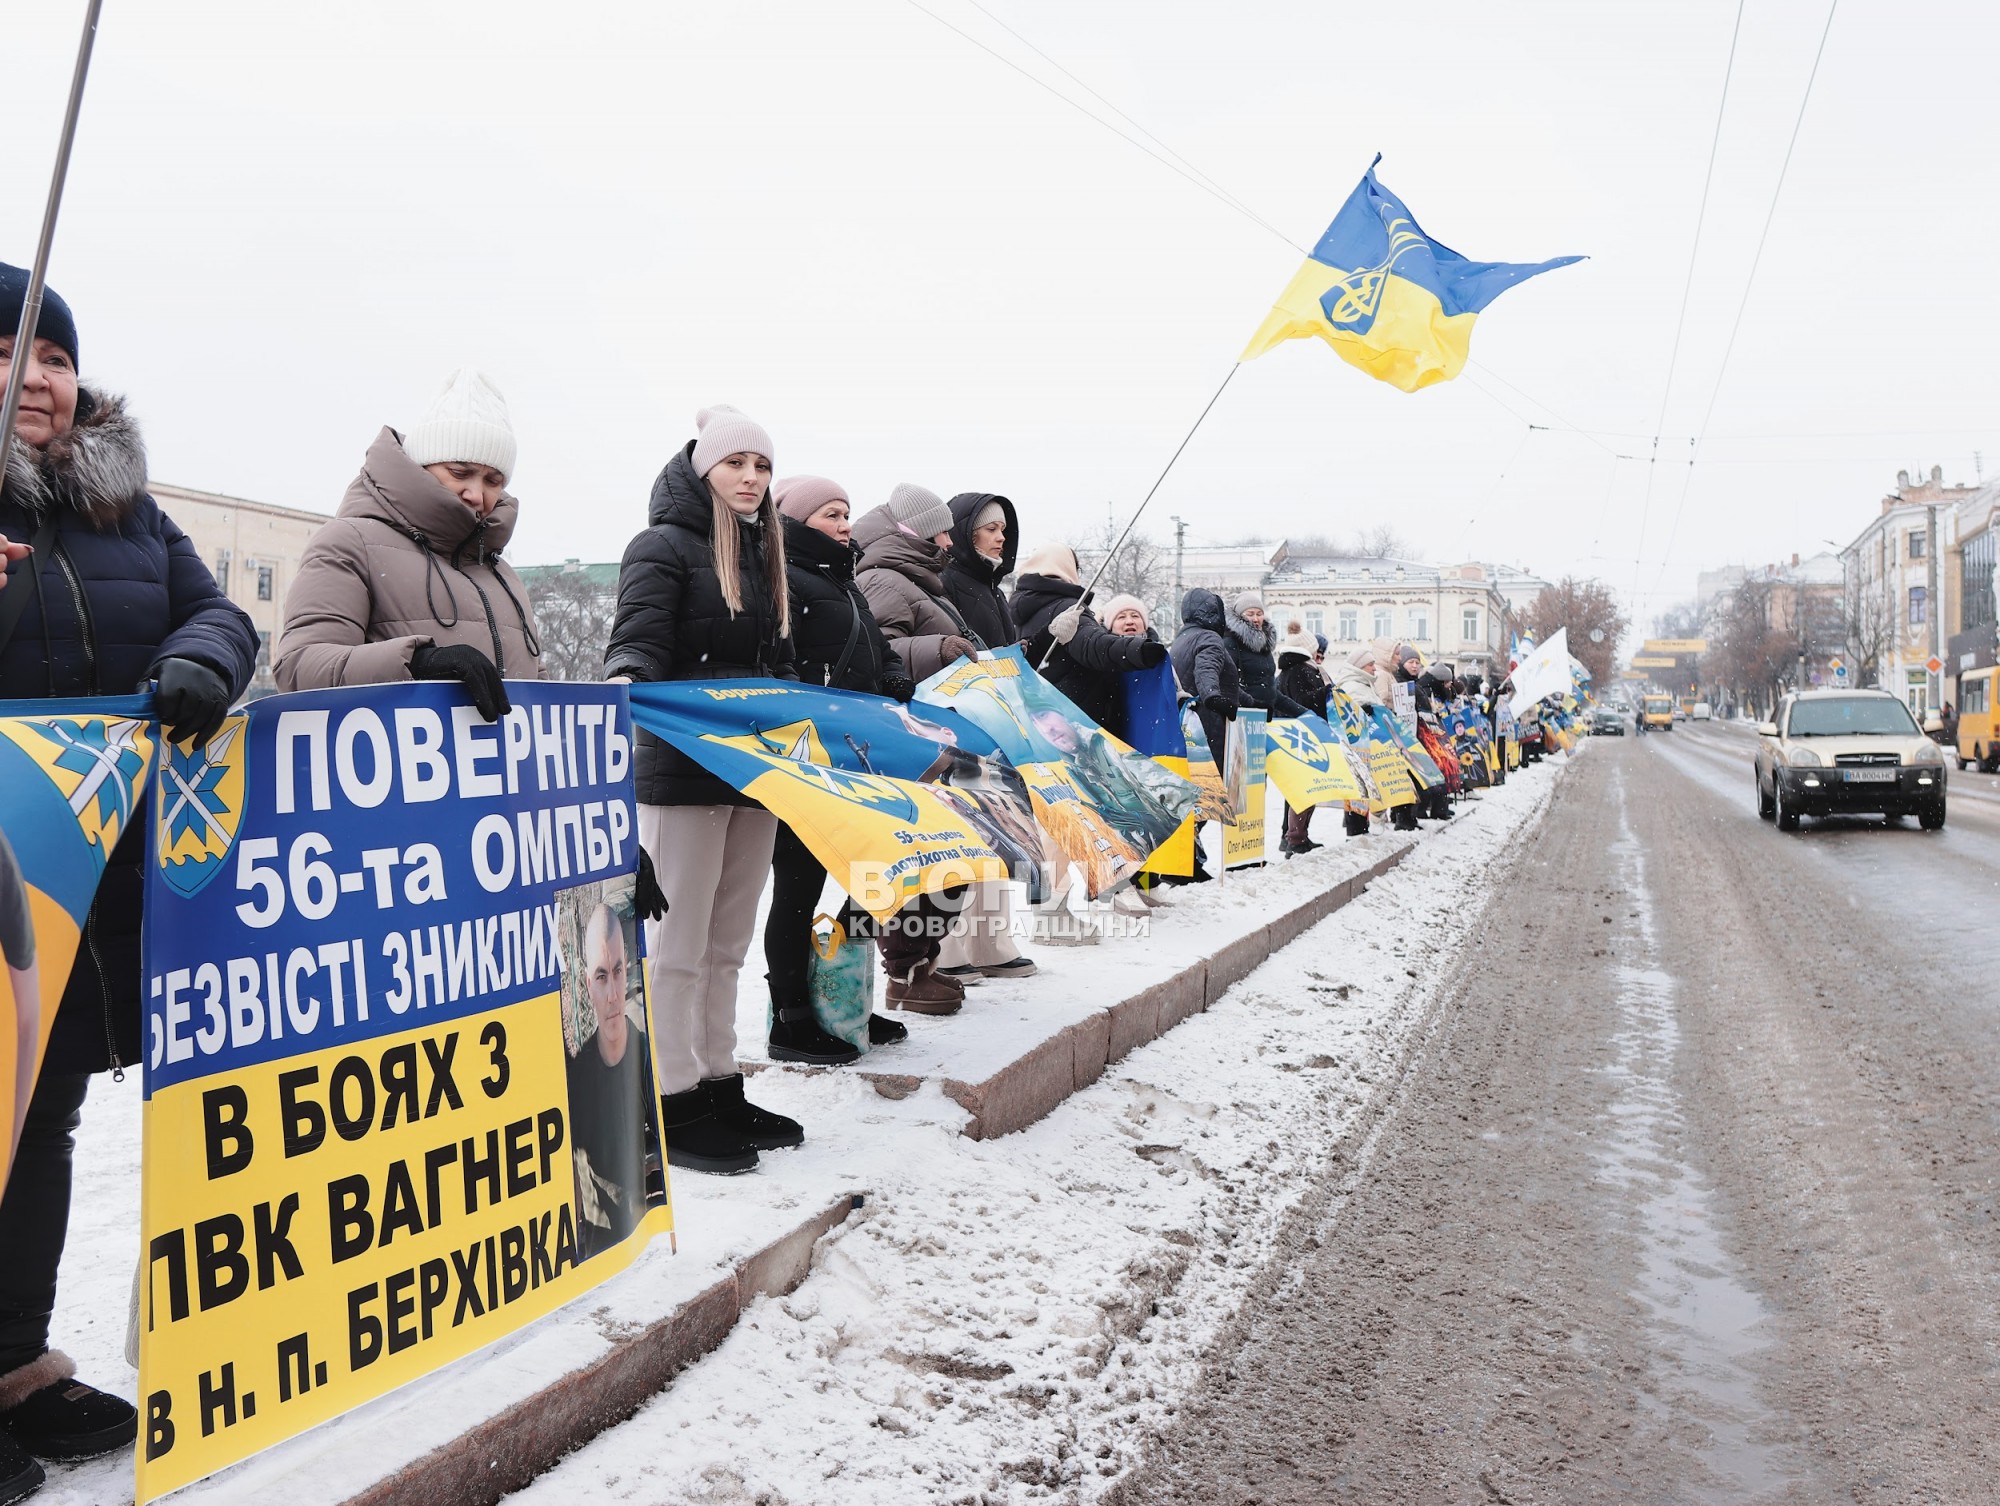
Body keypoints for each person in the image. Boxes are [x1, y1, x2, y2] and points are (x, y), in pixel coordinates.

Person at [0, 263, 258, 1489]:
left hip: (77, 889)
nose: (31, 375)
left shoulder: (128, 516)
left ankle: (13, 1362)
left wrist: (200, 665)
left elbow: (217, 615)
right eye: (4, 351)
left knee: (39, 1121)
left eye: (50, 355)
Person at [605, 405, 799, 1177]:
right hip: (680, 772)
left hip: (754, 773)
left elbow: (777, 664)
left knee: (727, 941)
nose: (750, 478)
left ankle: (720, 1080)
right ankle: (670, 1093)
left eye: (762, 465)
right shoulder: (660, 547)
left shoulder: (766, 554)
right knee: (676, 944)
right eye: (735, 464)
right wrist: (625, 687)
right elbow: (638, 641)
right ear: (702, 469)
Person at [276, 369, 542, 709]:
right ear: (422, 465)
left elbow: (535, 684)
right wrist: (416, 663)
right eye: (459, 472)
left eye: (493, 480)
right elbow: (299, 667)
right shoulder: (350, 543)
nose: (476, 493)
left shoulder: (502, 575)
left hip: (499, 763)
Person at [762, 474, 913, 1048]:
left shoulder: (843, 581)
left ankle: (846, 996)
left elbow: (876, 646)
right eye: (830, 514)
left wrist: (894, 675)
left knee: (867, 883)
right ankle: (792, 1016)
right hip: (809, 761)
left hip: (856, 760)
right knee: (798, 890)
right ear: (798, 522)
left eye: (846, 512)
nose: (845, 523)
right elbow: (780, 660)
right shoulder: (786, 580)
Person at [853, 486, 1015, 997]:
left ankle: (925, 960)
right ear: (915, 533)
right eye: (941, 530)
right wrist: (939, 647)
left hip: (949, 737)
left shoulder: (924, 581)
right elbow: (878, 651)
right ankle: (904, 970)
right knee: (925, 858)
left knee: (957, 854)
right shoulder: (883, 579)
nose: (949, 539)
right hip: (919, 742)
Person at [566, 902, 653, 1259]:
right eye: (602, 977)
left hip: (651, 1241)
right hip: (600, 1254)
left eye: (618, 972)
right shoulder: (577, 1077)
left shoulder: (647, 1057)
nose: (614, 995)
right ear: (589, 986)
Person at [1012, 546, 1167, 732]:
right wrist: (1139, 650)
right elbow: (1092, 646)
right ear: (1067, 568)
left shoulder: (1019, 612)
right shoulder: (1068, 607)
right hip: (1079, 719)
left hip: (1042, 719)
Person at [1169, 589, 1244, 880]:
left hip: (1188, 725)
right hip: (1208, 725)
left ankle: (1187, 861)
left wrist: (1251, 703)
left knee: (1194, 794)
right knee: (1206, 794)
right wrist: (1213, 697)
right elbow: (1207, 671)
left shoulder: (1182, 638)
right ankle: (1185, 864)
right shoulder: (1210, 638)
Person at [940, 492, 1019, 654]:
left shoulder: (994, 588)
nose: (1001, 537)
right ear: (967, 534)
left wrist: (1048, 634)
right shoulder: (944, 583)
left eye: (1003, 529)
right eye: (991, 529)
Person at [1275, 630, 1329, 855]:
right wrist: (1327, 692)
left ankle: (1291, 836)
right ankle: (1295, 839)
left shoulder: (1287, 671)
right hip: (1303, 735)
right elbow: (1304, 702)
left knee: (1297, 788)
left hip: (1290, 735)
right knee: (1304, 788)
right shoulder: (1301, 671)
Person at [1329, 644, 1385, 836]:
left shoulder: (1364, 684)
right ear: (1360, 666)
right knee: (1357, 786)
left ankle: (1360, 825)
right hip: (1356, 745)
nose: (1374, 669)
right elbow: (1348, 712)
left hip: (1366, 744)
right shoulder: (1352, 685)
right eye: (1371, 665)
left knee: (1364, 786)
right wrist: (1365, 710)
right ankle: (1355, 828)